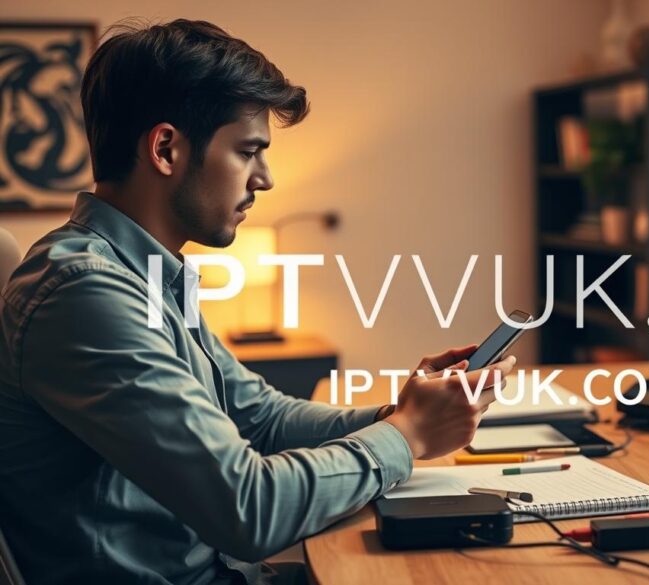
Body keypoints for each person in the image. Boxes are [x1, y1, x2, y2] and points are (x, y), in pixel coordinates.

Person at [0, 19, 514, 585]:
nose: (264, 179)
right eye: (249, 152)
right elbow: (247, 507)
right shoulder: (82, 291)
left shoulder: (145, 274)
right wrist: (408, 436)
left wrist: (401, 414)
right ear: (166, 148)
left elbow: (260, 418)